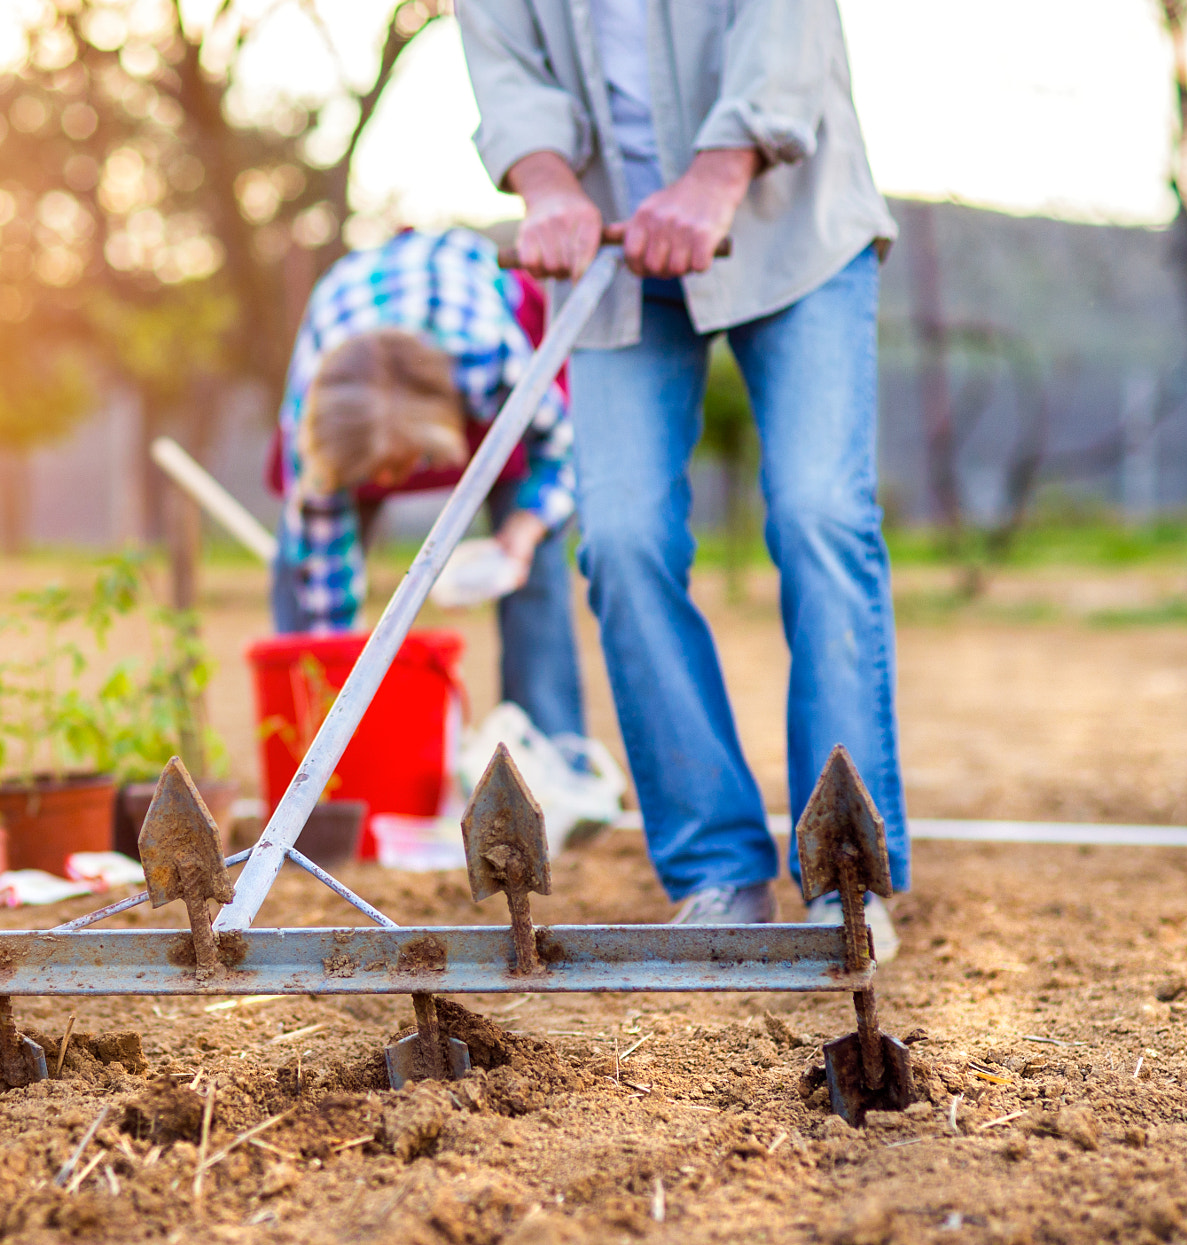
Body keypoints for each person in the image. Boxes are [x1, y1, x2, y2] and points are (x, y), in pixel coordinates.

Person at [459, 0, 906, 956]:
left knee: (819, 515)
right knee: (620, 540)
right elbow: (507, 71)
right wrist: (547, 188)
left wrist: (714, 180)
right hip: (619, 257)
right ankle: (717, 871)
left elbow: (784, 33)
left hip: (792, 235)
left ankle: (845, 878)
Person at [268, 226, 586, 747]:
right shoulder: (316, 410)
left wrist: (525, 529)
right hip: (347, 330)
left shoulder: (486, 357)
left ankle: (549, 751)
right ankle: (312, 749)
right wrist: (340, 679)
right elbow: (324, 574)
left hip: (472, 336)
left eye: (398, 465)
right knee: (298, 567)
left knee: (535, 562)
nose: (390, 486)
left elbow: (564, 446)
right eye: (374, 475)